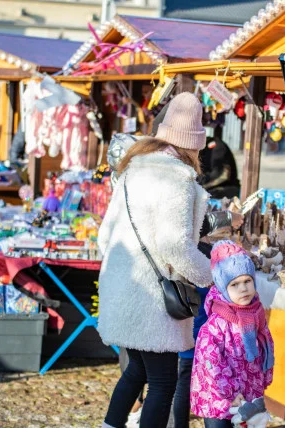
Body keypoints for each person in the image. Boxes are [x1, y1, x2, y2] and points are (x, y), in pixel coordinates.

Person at [97, 93, 213, 428]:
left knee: (137, 370)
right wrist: (210, 275)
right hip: (151, 300)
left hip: (123, 289)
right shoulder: (176, 179)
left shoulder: (133, 170)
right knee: (163, 380)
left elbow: (106, 236)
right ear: (192, 144)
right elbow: (174, 245)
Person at [190, 240, 274, 428]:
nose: (243, 289)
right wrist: (232, 393)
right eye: (234, 284)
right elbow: (211, 364)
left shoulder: (256, 314)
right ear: (222, 287)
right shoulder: (215, 324)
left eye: (247, 281)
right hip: (219, 399)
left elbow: (266, 345)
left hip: (248, 394)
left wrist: (265, 376)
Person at [198, 127, 241, 199]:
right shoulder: (204, 149)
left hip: (226, 188)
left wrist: (200, 186)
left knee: (205, 195)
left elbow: (222, 175)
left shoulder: (216, 147)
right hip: (214, 187)